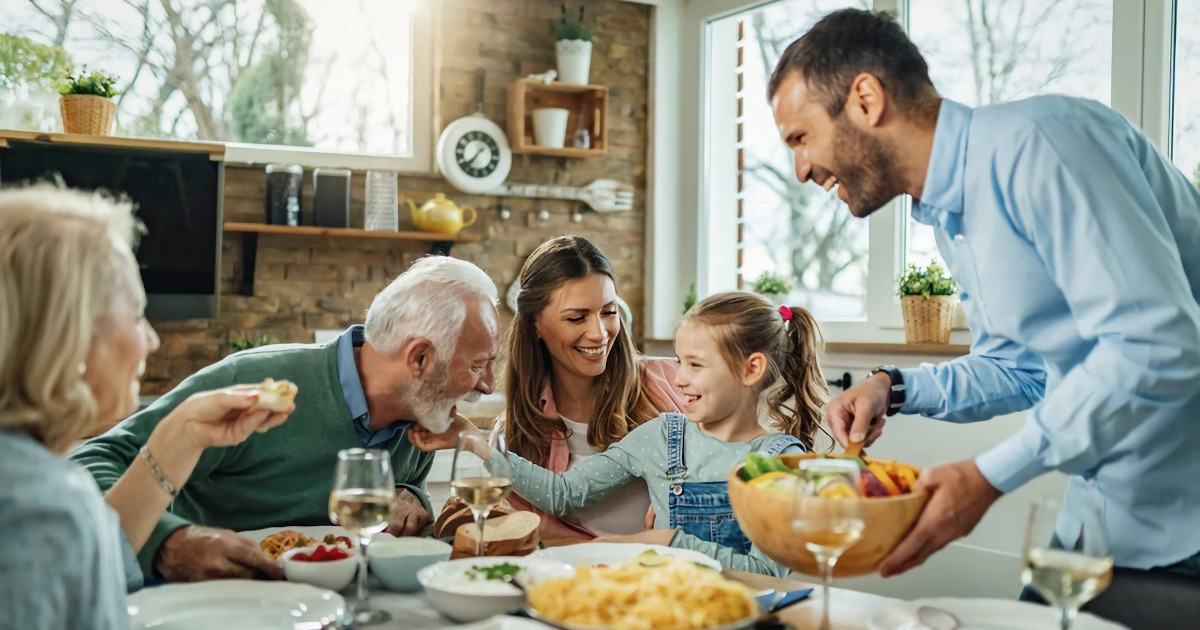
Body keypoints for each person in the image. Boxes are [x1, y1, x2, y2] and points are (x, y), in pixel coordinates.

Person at [768, 8, 1200, 579]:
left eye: (801, 138)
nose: (800, 170)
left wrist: (988, 477)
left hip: (1185, 525)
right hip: (1101, 520)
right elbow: (1022, 369)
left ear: (866, 100)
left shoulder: (1045, 144)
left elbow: (1157, 344)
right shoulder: (953, 215)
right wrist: (892, 386)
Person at [71, 254, 501, 582]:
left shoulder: (424, 415)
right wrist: (168, 541)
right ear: (419, 358)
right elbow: (89, 463)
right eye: (479, 364)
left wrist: (412, 498)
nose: (488, 385)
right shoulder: (255, 382)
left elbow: (401, 517)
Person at [0, 185, 293, 629]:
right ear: (69, 335)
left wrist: (185, 432)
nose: (151, 340)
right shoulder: (42, 508)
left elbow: (98, 562)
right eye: (137, 314)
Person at [415, 292, 828, 576]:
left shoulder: (779, 461)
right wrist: (477, 443)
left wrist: (668, 541)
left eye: (696, 365)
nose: (679, 379)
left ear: (751, 369)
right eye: (679, 362)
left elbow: (766, 572)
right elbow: (563, 493)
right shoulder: (662, 436)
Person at [496, 235, 687, 539]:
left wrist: (689, 497)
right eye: (576, 318)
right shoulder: (514, 436)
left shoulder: (675, 381)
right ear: (535, 325)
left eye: (609, 312)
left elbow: (734, 460)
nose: (599, 333)